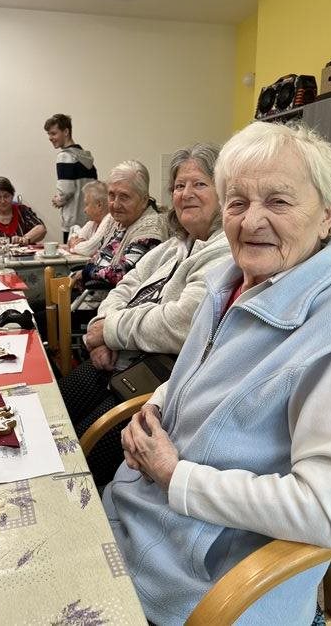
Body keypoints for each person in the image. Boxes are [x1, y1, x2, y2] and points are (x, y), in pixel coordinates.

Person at [104, 122, 331, 626]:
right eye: (237, 202)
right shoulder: (228, 280)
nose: (252, 221)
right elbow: (201, 367)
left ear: (328, 213)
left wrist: (174, 475)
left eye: (278, 201)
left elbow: (322, 511)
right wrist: (157, 405)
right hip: (136, 516)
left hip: (205, 583)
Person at [59, 144, 231, 485]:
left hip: (147, 386)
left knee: (74, 462)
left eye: (199, 184)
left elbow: (181, 323)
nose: (186, 193)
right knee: (52, 414)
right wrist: (102, 330)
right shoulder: (175, 246)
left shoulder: (226, 251)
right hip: (117, 362)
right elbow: (123, 286)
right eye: (179, 186)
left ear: (225, 192)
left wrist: (110, 332)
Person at [72, 159, 166, 293]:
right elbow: (98, 257)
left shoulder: (151, 228)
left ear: (144, 200)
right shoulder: (114, 220)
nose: (115, 204)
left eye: (124, 197)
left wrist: (86, 272)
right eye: (111, 195)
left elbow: (122, 273)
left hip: (118, 301)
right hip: (93, 294)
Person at [44, 113, 97, 243]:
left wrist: (59, 200)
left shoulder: (64, 156)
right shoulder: (86, 158)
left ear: (66, 132)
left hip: (73, 221)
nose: (50, 138)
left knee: (71, 254)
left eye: (53, 133)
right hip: (89, 220)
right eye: (49, 134)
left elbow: (66, 190)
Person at [0, 177, 47, 247]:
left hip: (24, 254)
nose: (3, 201)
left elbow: (41, 229)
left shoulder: (23, 210)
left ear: (12, 196)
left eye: (6, 196)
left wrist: (24, 239)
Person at [67, 181, 114, 257]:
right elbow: (74, 234)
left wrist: (73, 246)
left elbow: (88, 250)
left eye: (87, 204)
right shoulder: (92, 223)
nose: (84, 210)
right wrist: (73, 239)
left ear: (99, 205)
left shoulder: (109, 220)